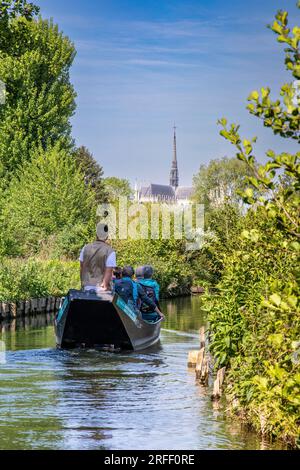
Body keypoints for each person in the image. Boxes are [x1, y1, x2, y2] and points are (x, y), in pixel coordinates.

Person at [79, 223, 116, 292]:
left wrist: (83, 283)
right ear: (107, 236)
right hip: (101, 288)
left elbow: (81, 267)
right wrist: (105, 286)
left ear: (96, 234)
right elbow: (109, 271)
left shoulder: (85, 248)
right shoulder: (110, 251)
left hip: (86, 286)